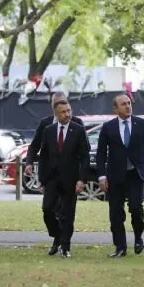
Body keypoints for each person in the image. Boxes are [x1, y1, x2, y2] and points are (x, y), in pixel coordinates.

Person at [96, 93, 144, 257]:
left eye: (129, 103)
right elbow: (100, 154)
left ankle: (138, 238)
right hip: (115, 176)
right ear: (115, 108)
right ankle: (120, 247)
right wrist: (101, 176)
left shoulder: (142, 124)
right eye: (123, 104)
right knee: (116, 213)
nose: (128, 106)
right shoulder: (108, 127)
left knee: (136, 208)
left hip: (136, 174)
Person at [38, 99, 90, 258]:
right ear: (56, 113)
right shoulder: (49, 130)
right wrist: (42, 179)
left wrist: (82, 179)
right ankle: (57, 236)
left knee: (67, 213)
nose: (67, 114)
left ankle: (65, 246)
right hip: (52, 178)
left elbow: (85, 157)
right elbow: (44, 156)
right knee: (47, 209)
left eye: (69, 111)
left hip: (71, 179)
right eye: (63, 112)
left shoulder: (79, 130)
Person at [24, 92, 85, 179]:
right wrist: (29, 163)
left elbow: (84, 152)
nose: (61, 105)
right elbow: (34, 146)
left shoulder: (77, 123)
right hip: (49, 176)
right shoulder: (45, 124)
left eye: (63, 102)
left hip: (70, 175)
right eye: (57, 104)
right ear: (53, 107)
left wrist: (82, 178)